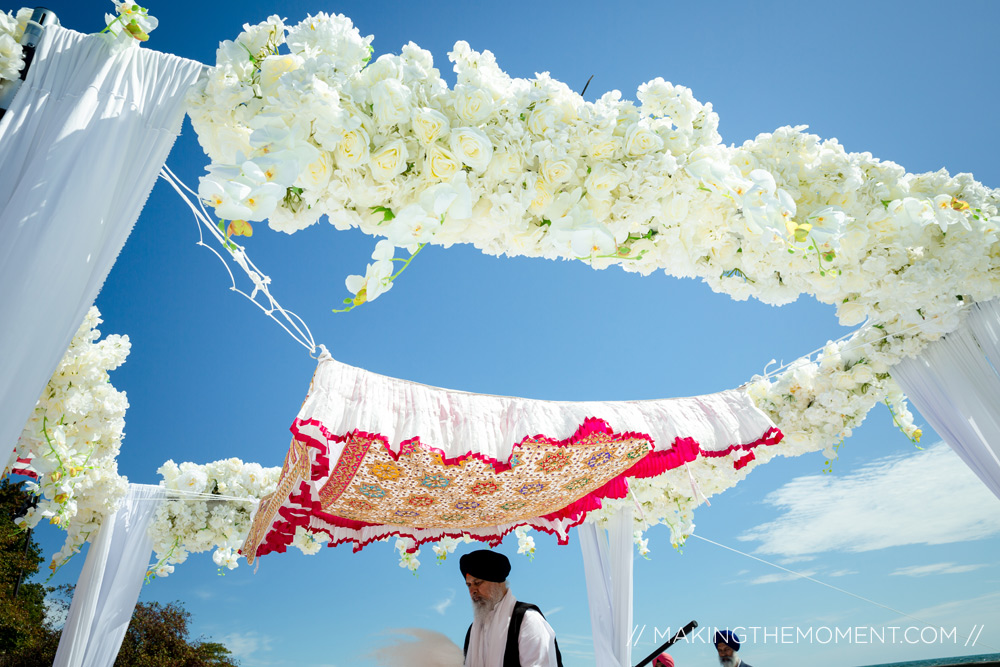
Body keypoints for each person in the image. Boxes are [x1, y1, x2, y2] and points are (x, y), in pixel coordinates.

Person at [460, 549, 562, 667]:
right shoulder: (473, 630)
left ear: (497, 582)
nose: (472, 591)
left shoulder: (527, 620)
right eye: (469, 585)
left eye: (477, 583)